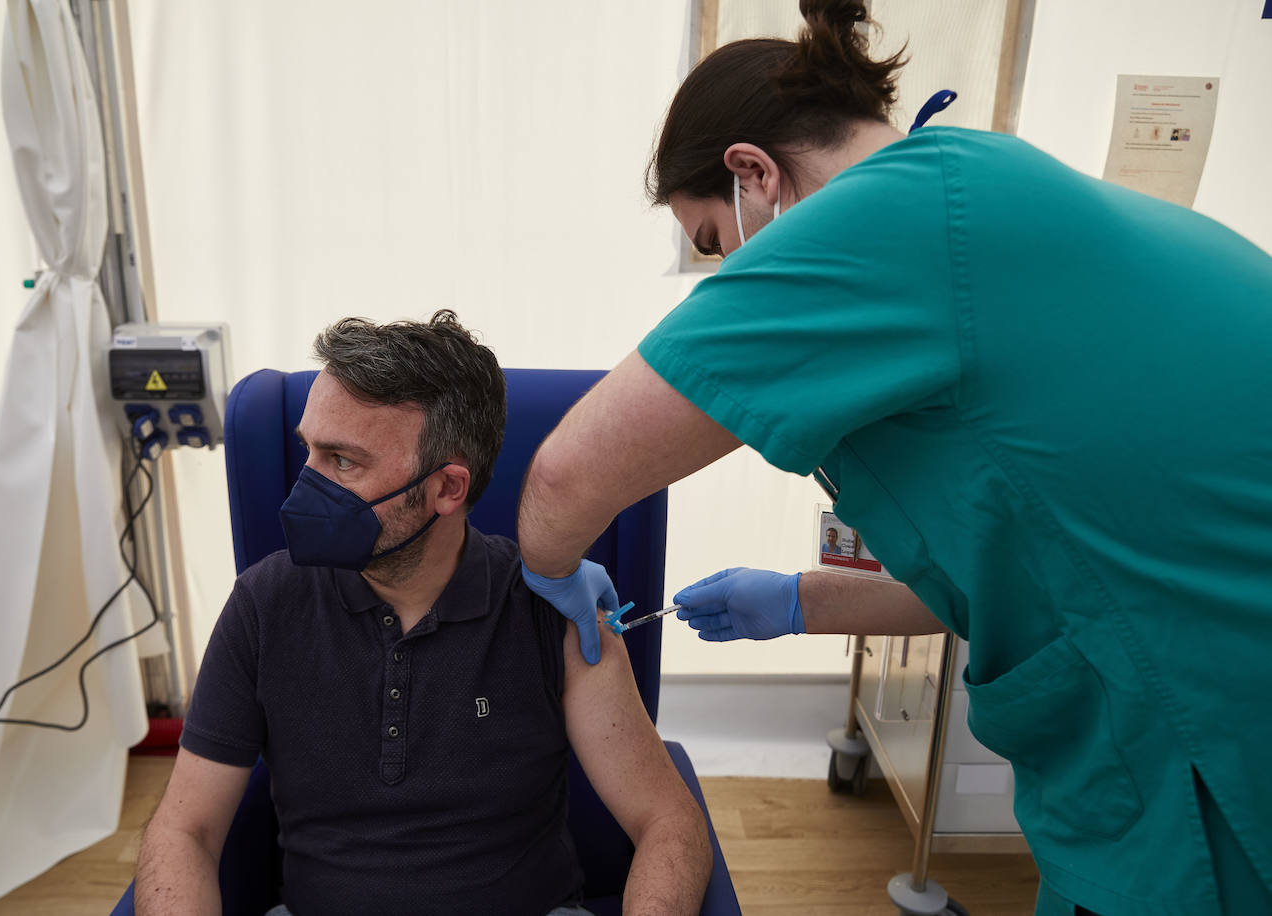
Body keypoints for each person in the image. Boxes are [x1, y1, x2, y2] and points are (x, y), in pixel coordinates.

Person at [514, 2, 1272, 914]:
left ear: (753, 174)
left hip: (1213, 719)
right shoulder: (984, 184)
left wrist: (553, 568)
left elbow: (565, 477)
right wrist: (798, 601)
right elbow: (1013, 573)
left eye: (716, 243)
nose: (727, 278)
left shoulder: (889, 221)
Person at [136, 312, 711, 916]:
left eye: (343, 461)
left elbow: (669, 822)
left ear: (447, 489)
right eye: (308, 451)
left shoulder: (552, 611)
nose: (305, 485)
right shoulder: (263, 605)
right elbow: (185, 831)